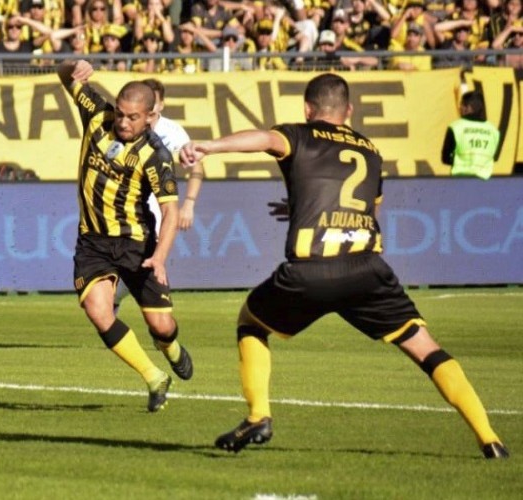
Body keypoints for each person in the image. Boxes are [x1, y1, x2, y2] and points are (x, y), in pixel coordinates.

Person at [189, 73, 508, 459]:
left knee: (250, 322)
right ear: (350, 111)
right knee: (426, 348)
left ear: (308, 109)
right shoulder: (371, 150)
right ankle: (489, 438)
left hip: (312, 270)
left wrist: (210, 146)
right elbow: (367, 206)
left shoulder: (299, 134)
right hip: (366, 270)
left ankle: (258, 414)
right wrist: (303, 206)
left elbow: (264, 139)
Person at [57, 59, 192, 413]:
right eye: (121, 113)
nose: (124, 122)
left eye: (133, 117)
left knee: (161, 326)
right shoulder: (96, 116)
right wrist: (73, 65)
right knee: (98, 310)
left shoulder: (157, 156)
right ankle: (153, 377)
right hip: (93, 242)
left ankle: (171, 348)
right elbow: (62, 73)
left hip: (138, 244)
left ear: (150, 117)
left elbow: (170, 211)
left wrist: (160, 256)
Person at [113, 78, 203, 311]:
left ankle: (155, 314)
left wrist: (189, 204)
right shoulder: (122, 128)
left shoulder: (172, 132)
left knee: (145, 261)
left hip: (155, 208)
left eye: (153, 104)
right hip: (121, 205)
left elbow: (196, 168)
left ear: (160, 105)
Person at [441, 90, 501, 180]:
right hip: (485, 183)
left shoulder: (456, 127)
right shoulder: (493, 130)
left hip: (460, 181)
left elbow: (445, 158)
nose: (459, 108)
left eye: (461, 104)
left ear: (468, 108)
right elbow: (495, 157)